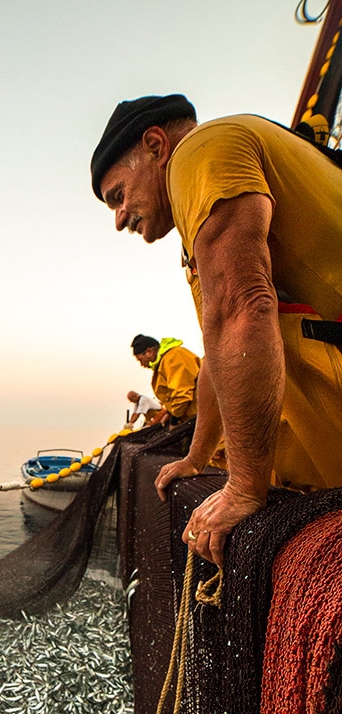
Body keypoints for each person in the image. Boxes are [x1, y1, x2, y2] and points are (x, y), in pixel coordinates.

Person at [90, 94, 342, 565]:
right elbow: (218, 354)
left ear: (154, 145)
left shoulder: (203, 153)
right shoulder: (196, 227)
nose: (120, 218)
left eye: (118, 196)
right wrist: (198, 455)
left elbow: (243, 309)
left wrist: (245, 489)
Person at [131, 335, 201, 424]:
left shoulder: (173, 358)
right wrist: (170, 412)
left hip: (203, 411)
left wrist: (174, 421)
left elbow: (182, 394)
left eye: (140, 360)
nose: (142, 364)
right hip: (195, 414)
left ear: (149, 352)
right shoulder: (163, 363)